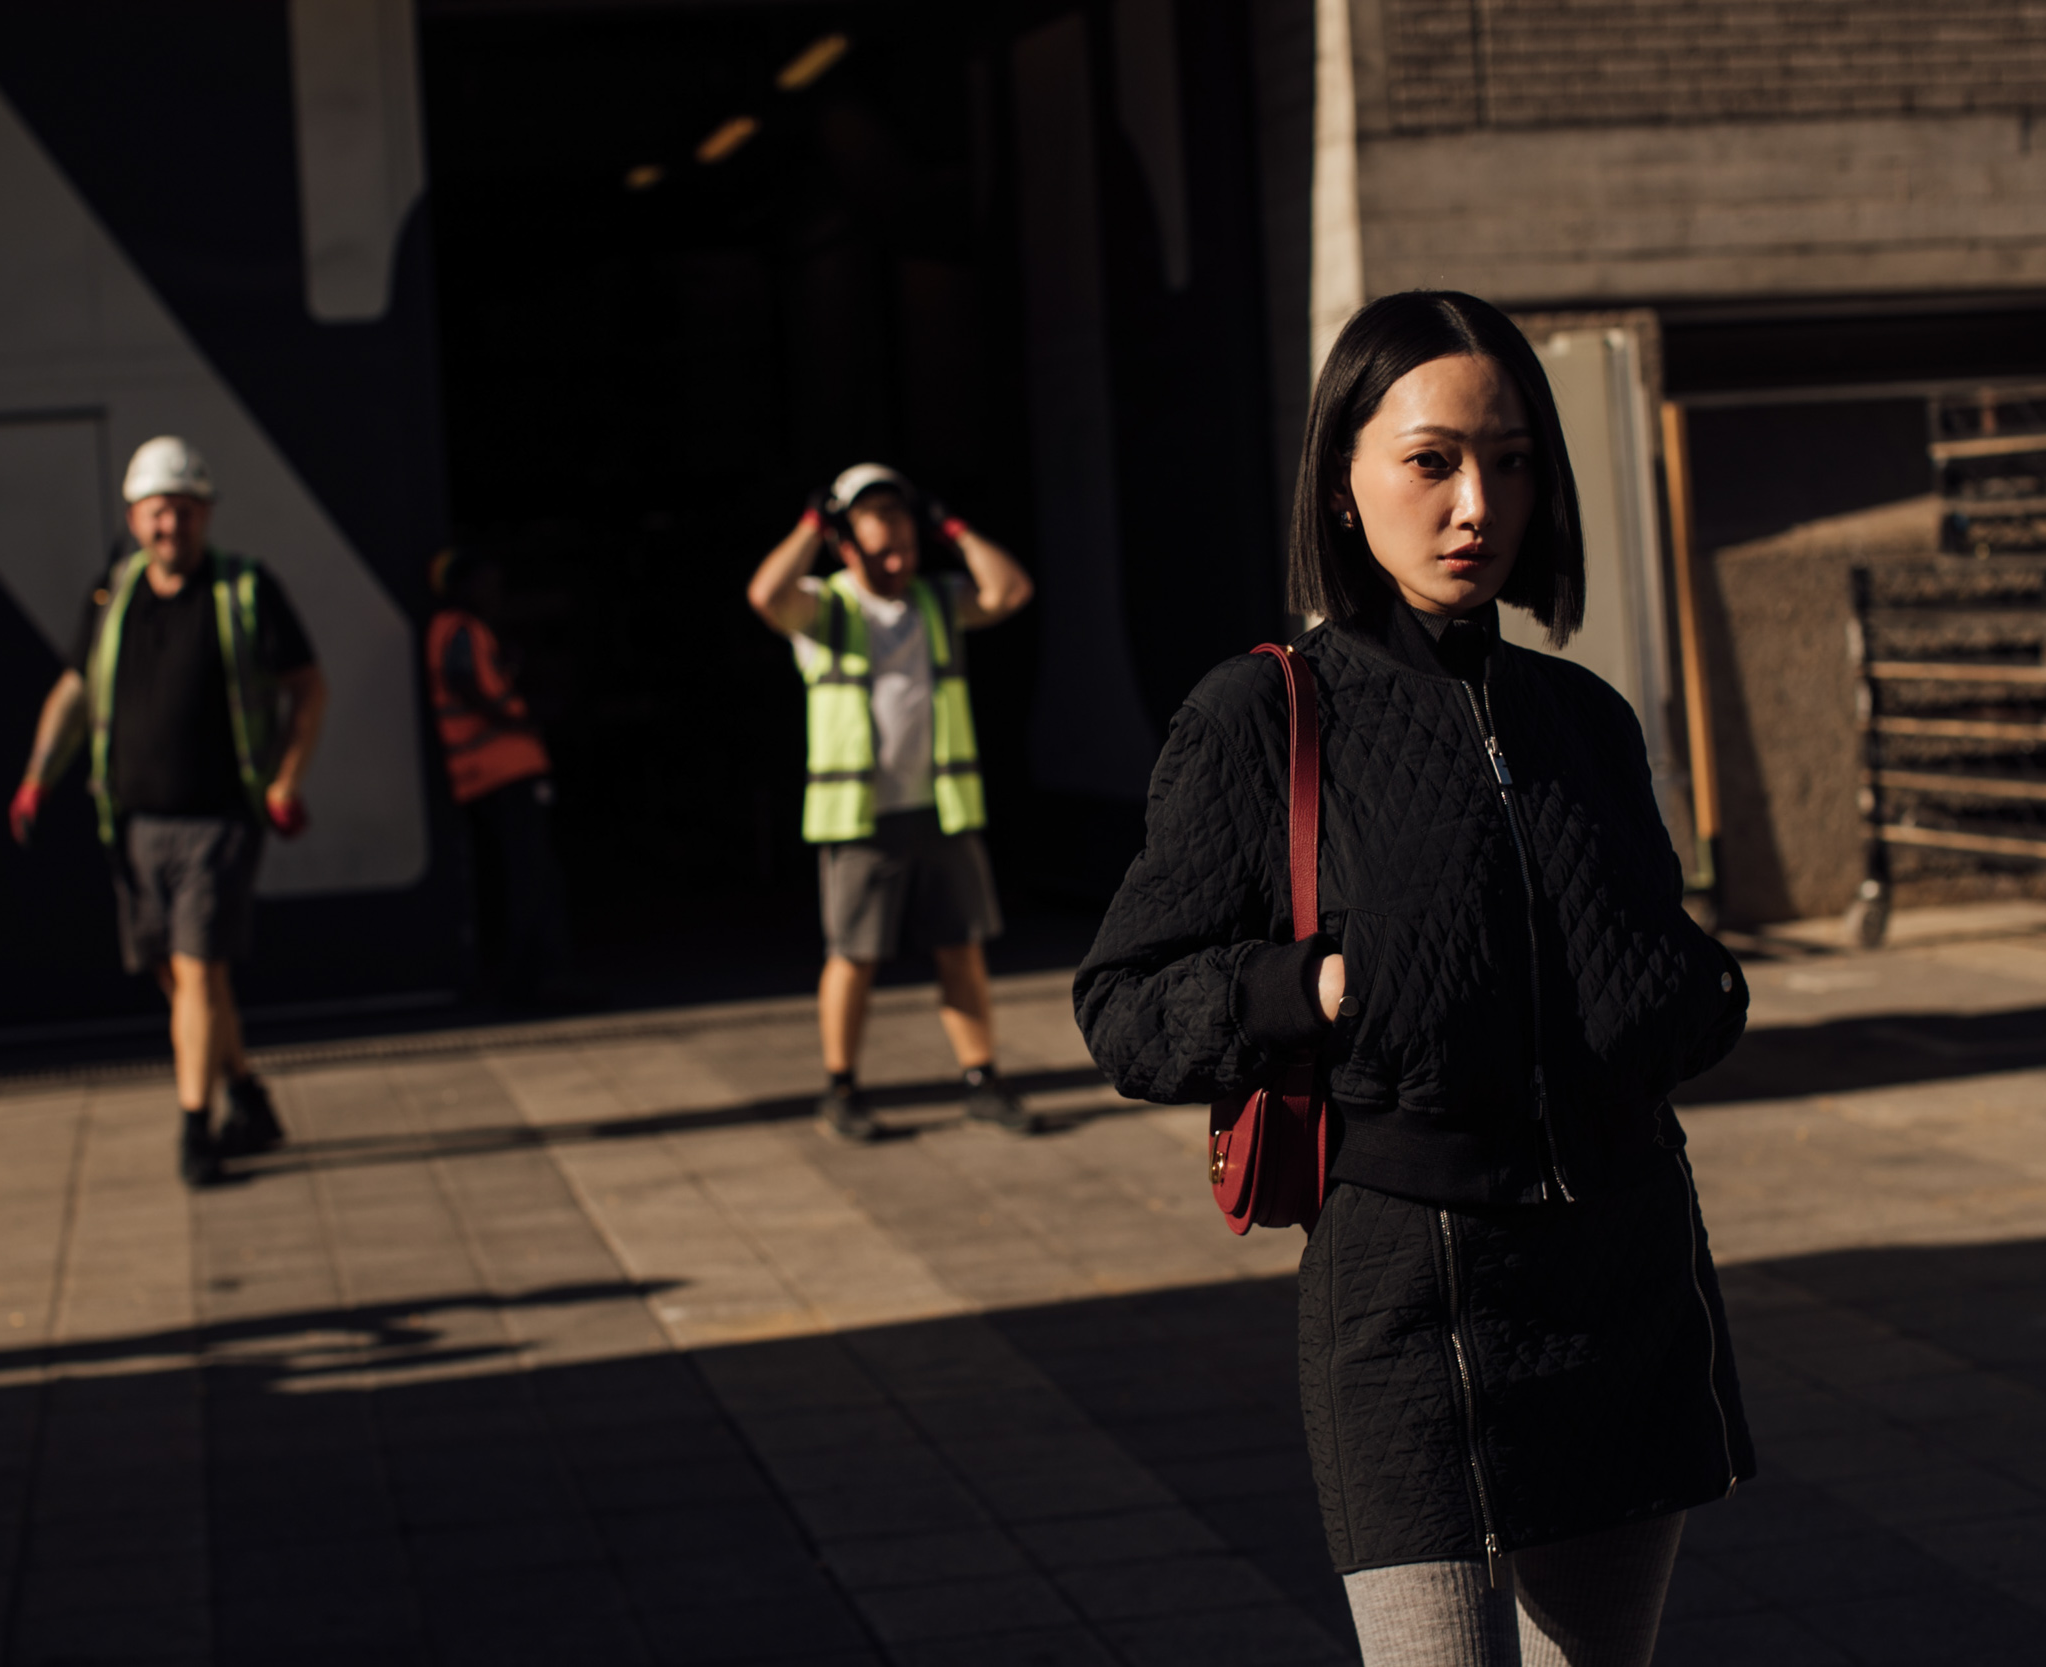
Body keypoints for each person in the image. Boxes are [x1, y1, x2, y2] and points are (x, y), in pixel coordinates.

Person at [1074, 292, 1753, 1666]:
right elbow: (1125, 1001)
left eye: (1509, 461)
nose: (1474, 503)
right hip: (1409, 1293)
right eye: (1432, 459)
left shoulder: (1584, 719)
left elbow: (1660, 957)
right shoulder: (1264, 713)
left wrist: (1691, 994)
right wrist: (1314, 990)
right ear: (1344, 478)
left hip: (1621, 1276)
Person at [9, 436, 328, 1187]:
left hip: (217, 820)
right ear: (133, 517)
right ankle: (247, 1093)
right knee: (185, 979)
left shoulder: (246, 590)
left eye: (183, 513)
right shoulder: (111, 597)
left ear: (206, 513)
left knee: (197, 969)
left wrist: (285, 780)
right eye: (157, 514)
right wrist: (36, 777)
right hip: (134, 825)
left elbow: (307, 686)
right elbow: (75, 689)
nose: (169, 529)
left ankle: (196, 1130)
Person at [747, 464, 1036, 1143]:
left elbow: (1011, 588)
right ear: (846, 544)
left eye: (905, 529)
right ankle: (840, 1087)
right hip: (861, 817)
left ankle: (981, 1078)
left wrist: (955, 529)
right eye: (879, 532)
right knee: (855, 953)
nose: (898, 549)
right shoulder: (825, 606)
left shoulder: (936, 600)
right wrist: (810, 525)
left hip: (940, 807)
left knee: (960, 947)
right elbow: (764, 592)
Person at [426, 546, 572, 1004]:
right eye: (487, 584)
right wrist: (513, 721)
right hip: (498, 772)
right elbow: (465, 684)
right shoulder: (460, 630)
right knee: (522, 881)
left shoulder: (468, 632)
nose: (495, 594)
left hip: (492, 774)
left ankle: (524, 977)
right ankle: (528, 980)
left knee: (517, 879)